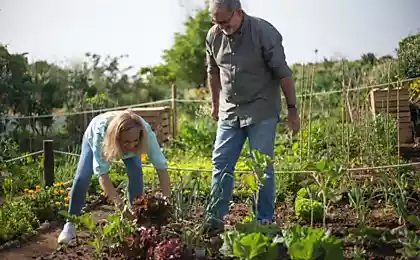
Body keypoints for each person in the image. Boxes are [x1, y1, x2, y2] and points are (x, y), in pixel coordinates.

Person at [204, 0, 300, 234]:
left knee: (261, 167)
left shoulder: (264, 33)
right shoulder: (214, 35)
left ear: (239, 13)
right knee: (221, 163)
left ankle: (264, 221)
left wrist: (292, 109)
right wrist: (215, 104)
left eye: (225, 22)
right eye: (216, 22)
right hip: (230, 109)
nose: (220, 27)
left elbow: (283, 73)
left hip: (262, 108)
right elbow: (213, 71)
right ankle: (215, 220)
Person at [57, 109, 171, 244]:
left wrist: (167, 204)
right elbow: (103, 175)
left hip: (124, 140)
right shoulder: (101, 135)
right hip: (96, 136)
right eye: (126, 141)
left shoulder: (145, 134)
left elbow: (161, 169)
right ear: (117, 138)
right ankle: (70, 225)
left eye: (135, 140)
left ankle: (137, 219)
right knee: (82, 177)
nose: (131, 145)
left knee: (136, 173)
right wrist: (121, 207)